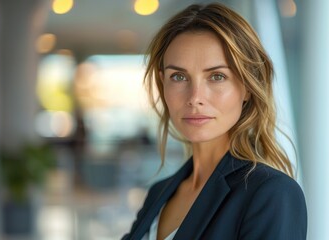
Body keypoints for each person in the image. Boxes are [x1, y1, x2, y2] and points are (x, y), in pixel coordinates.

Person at [122, 3, 307, 240]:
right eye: (178, 77)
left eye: (217, 76)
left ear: (248, 87)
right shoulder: (159, 193)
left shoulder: (271, 193)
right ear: (163, 82)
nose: (195, 98)